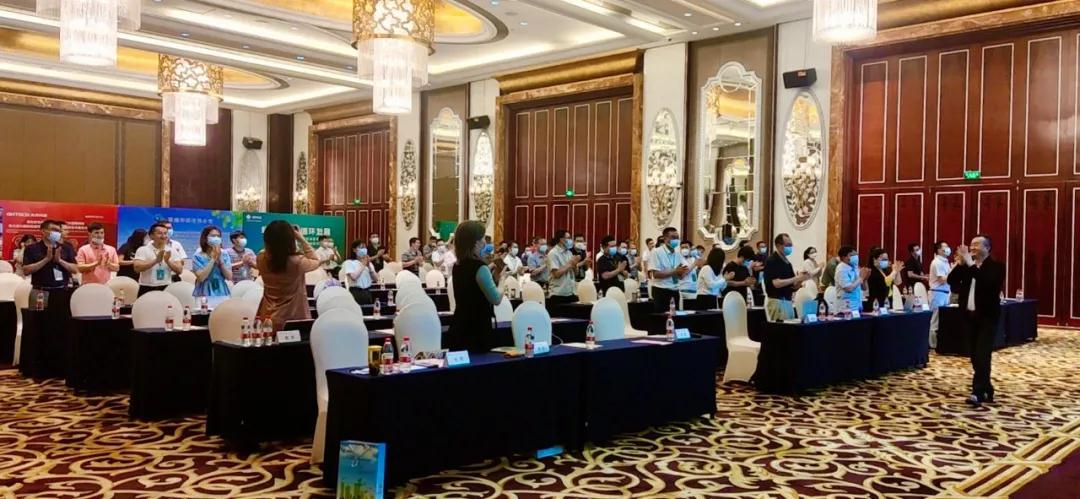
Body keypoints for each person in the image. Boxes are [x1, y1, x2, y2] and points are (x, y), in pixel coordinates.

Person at [947, 235, 1005, 407]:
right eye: (971, 245)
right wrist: (960, 264)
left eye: (976, 245)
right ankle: (987, 388)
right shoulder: (967, 265)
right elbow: (951, 281)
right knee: (974, 355)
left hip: (988, 317)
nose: (972, 248)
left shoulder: (997, 267)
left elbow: (987, 283)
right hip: (969, 317)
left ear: (987, 248)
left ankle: (977, 392)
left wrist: (970, 265)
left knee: (982, 354)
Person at [448, 220, 504, 353]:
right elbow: (496, 299)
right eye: (483, 238)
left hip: (459, 324)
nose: (485, 242)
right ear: (476, 242)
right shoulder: (480, 267)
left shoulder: (458, 265)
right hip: (477, 328)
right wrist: (502, 281)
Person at [256, 221, 322, 331]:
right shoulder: (297, 262)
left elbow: (270, 252)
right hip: (293, 319)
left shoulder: (261, 258)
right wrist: (301, 239)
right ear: (290, 240)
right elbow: (316, 260)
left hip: (267, 316)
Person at [763, 233, 812, 321]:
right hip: (777, 302)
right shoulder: (772, 260)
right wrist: (797, 278)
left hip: (788, 302)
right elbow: (776, 283)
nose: (790, 248)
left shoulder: (787, 263)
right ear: (778, 245)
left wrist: (801, 278)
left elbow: (794, 286)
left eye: (791, 245)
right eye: (788, 245)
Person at [22, 219, 78, 291]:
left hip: (62, 289)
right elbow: (26, 271)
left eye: (58, 231)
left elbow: (75, 269)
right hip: (40, 290)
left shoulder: (66, 248)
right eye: (53, 230)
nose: (56, 233)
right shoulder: (31, 248)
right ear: (43, 231)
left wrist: (60, 261)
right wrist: (46, 260)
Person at [133, 223, 184, 296]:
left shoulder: (172, 250)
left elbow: (179, 270)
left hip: (166, 286)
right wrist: (155, 261)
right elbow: (137, 268)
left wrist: (168, 261)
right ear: (151, 236)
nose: (163, 236)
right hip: (146, 287)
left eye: (165, 233)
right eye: (160, 233)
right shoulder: (143, 250)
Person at [647, 227, 689, 312]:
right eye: (673, 237)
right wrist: (675, 271)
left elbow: (682, 274)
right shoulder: (656, 252)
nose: (676, 240)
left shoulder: (678, 254)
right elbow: (656, 274)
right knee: (663, 317)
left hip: (675, 290)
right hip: (661, 291)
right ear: (665, 238)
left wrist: (682, 272)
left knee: (674, 317)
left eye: (677, 237)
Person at [191, 226, 233, 308]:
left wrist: (220, 261)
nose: (216, 238)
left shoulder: (224, 254)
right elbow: (201, 277)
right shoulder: (198, 256)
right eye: (213, 236)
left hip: (221, 291)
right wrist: (213, 259)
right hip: (203, 292)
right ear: (205, 238)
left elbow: (229, 276)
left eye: (218, 236)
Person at [928, 240, 954, 348]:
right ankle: (932, 344)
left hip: (945, 293)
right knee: (935, 319)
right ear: (939, 250)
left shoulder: (945, 262)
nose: (948, 249)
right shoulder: (937, 262)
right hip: (937, 293)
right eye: (945, 247)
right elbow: (942, 279)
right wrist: (953, 272)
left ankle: (939, 343)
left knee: (942, 319)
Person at [547, 229, 581, 304]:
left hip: (571, 292)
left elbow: (576, 273)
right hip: (558, 294)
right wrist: (570, 263)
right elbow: (556, 274)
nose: (571, 240)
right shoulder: (553, 253)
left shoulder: (569, 253)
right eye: (568, 238)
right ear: (561, 239)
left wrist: (575, 264)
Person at [866, 247, 904, 311]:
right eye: (883, 259)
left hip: (887, 301)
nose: (886, 261)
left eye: (886, 259)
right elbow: (885, 282)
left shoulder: (885, 271)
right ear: (875, 259)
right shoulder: (871, 271)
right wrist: (894, 271)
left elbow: (897, 282)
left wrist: (898, 271)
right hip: (876, 303)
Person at [835, 245, 870, 313]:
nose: (855, 257)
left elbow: (864, 288)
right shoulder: (841, 269)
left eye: (856, 255)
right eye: (851, 255)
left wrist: (865, 279)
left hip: (857, 305)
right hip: (846, 307)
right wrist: (861, 278)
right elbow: (848, 288)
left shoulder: (855, 267)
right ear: (844, 257)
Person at [343, 240, 378, 305]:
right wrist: (363, 265)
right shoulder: (349, 262)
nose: (363, 249)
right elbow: (354, 277)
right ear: (354, 250)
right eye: (361, 247)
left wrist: (369, 267)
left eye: (364, 247)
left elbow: (376, 279)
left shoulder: (369, 263)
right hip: (356, 292)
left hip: (367, 292)